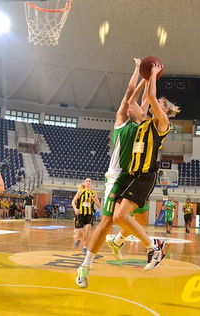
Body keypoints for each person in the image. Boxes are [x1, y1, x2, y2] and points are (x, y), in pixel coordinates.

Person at [76, 58, 158, 288]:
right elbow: (129, 94)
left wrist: (149, 80)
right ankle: (85, 266)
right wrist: (138, 72)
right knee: (107, 222)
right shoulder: (122, 121)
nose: (135, 106)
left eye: (138, 106)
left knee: (140, 217)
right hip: (116, 176)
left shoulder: (142, 122)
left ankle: (119, 241)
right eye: (132, 105)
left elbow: (145, 101)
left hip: (134, 177)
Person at [112, 62, 179, 270]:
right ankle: (124, 240)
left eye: (160, 104)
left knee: (122, 216)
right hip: (132, 174)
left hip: (145, 175)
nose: (155, 104)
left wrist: (152, 74)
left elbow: (150, 98)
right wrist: (144, 77)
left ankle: (154, 247)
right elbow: (136, 101)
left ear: (165, 109)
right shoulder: (144, 120)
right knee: (117, 216)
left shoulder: (163, 123)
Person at [72, 178, 101, 254]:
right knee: (81, 232)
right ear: (84, 183)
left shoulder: (93, 193)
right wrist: (75, 209)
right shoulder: (80, 192)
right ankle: (78, 239)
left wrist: (95, 200)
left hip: (89, 214)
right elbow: (73, 202)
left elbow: (99, 206)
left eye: (89, 181)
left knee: (88, 231)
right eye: (87, 181)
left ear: (91, 183)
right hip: (80, 213)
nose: (88, 182)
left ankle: (85, 247)